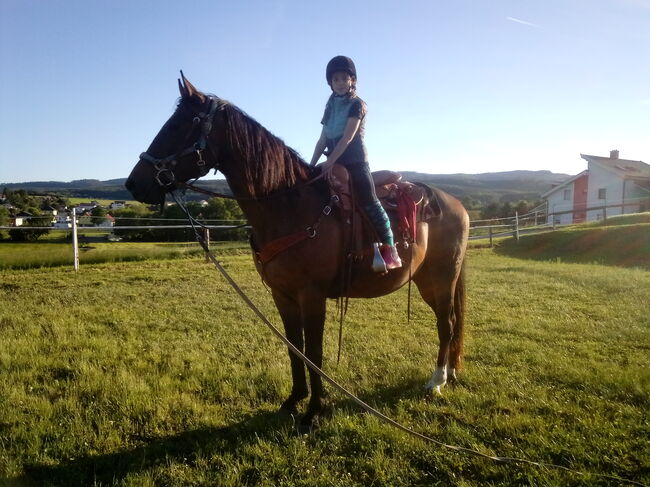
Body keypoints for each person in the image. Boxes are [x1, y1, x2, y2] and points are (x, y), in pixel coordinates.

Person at [310, 55, 402, 271]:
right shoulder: (330, 105)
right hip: (332, 161)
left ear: (352, 80)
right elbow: (322, 138)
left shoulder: (357, 105)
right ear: (331, 83)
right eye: (336, 79)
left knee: (369, 199)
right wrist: (311, 165)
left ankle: (389, 247)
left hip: (355, 161)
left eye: (344, 78)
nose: (340, 82)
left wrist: (329, 162)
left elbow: (347, 138)